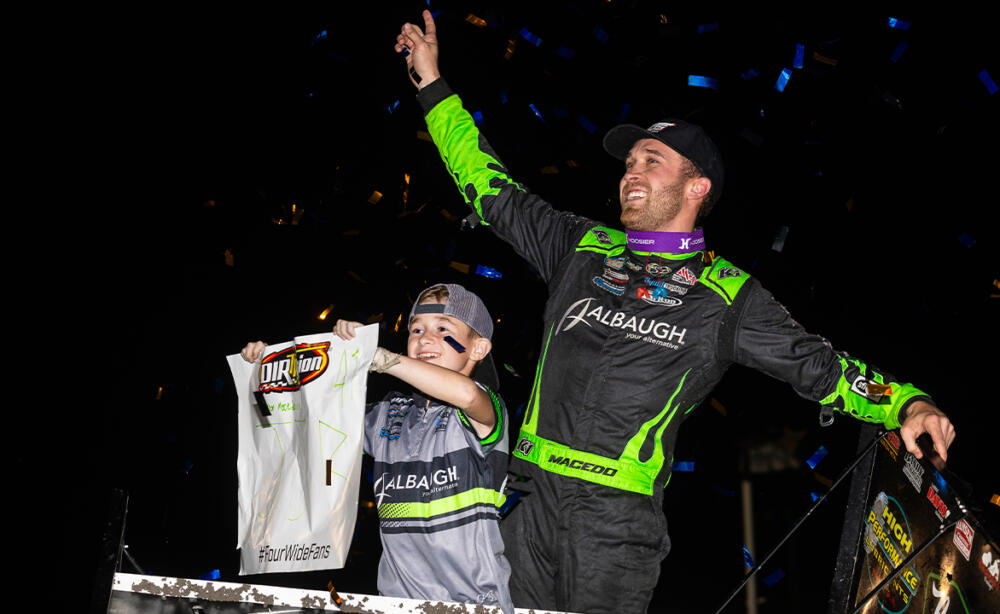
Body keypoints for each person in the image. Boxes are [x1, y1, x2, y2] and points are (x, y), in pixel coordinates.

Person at [392, 11, 957, 614]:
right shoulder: (578, 246)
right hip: (524, 504)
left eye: (650, 160)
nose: (630, 172)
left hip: (614, 528)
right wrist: (432, 84)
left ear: (696, 187)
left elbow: (819, 366)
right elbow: (488, 183)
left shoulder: (726, 295)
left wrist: (905, 401)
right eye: (629, 162)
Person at [241, 283, 513, 613]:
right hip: (395, 604)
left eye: (443, 329)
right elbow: (306, 422)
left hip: (473, 605)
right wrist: (271, 369)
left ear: (478, 348)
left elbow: (467, 395)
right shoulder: (386, 415)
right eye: (416, 329)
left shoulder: (485, 409)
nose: (425, 338)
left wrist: (381, 357)